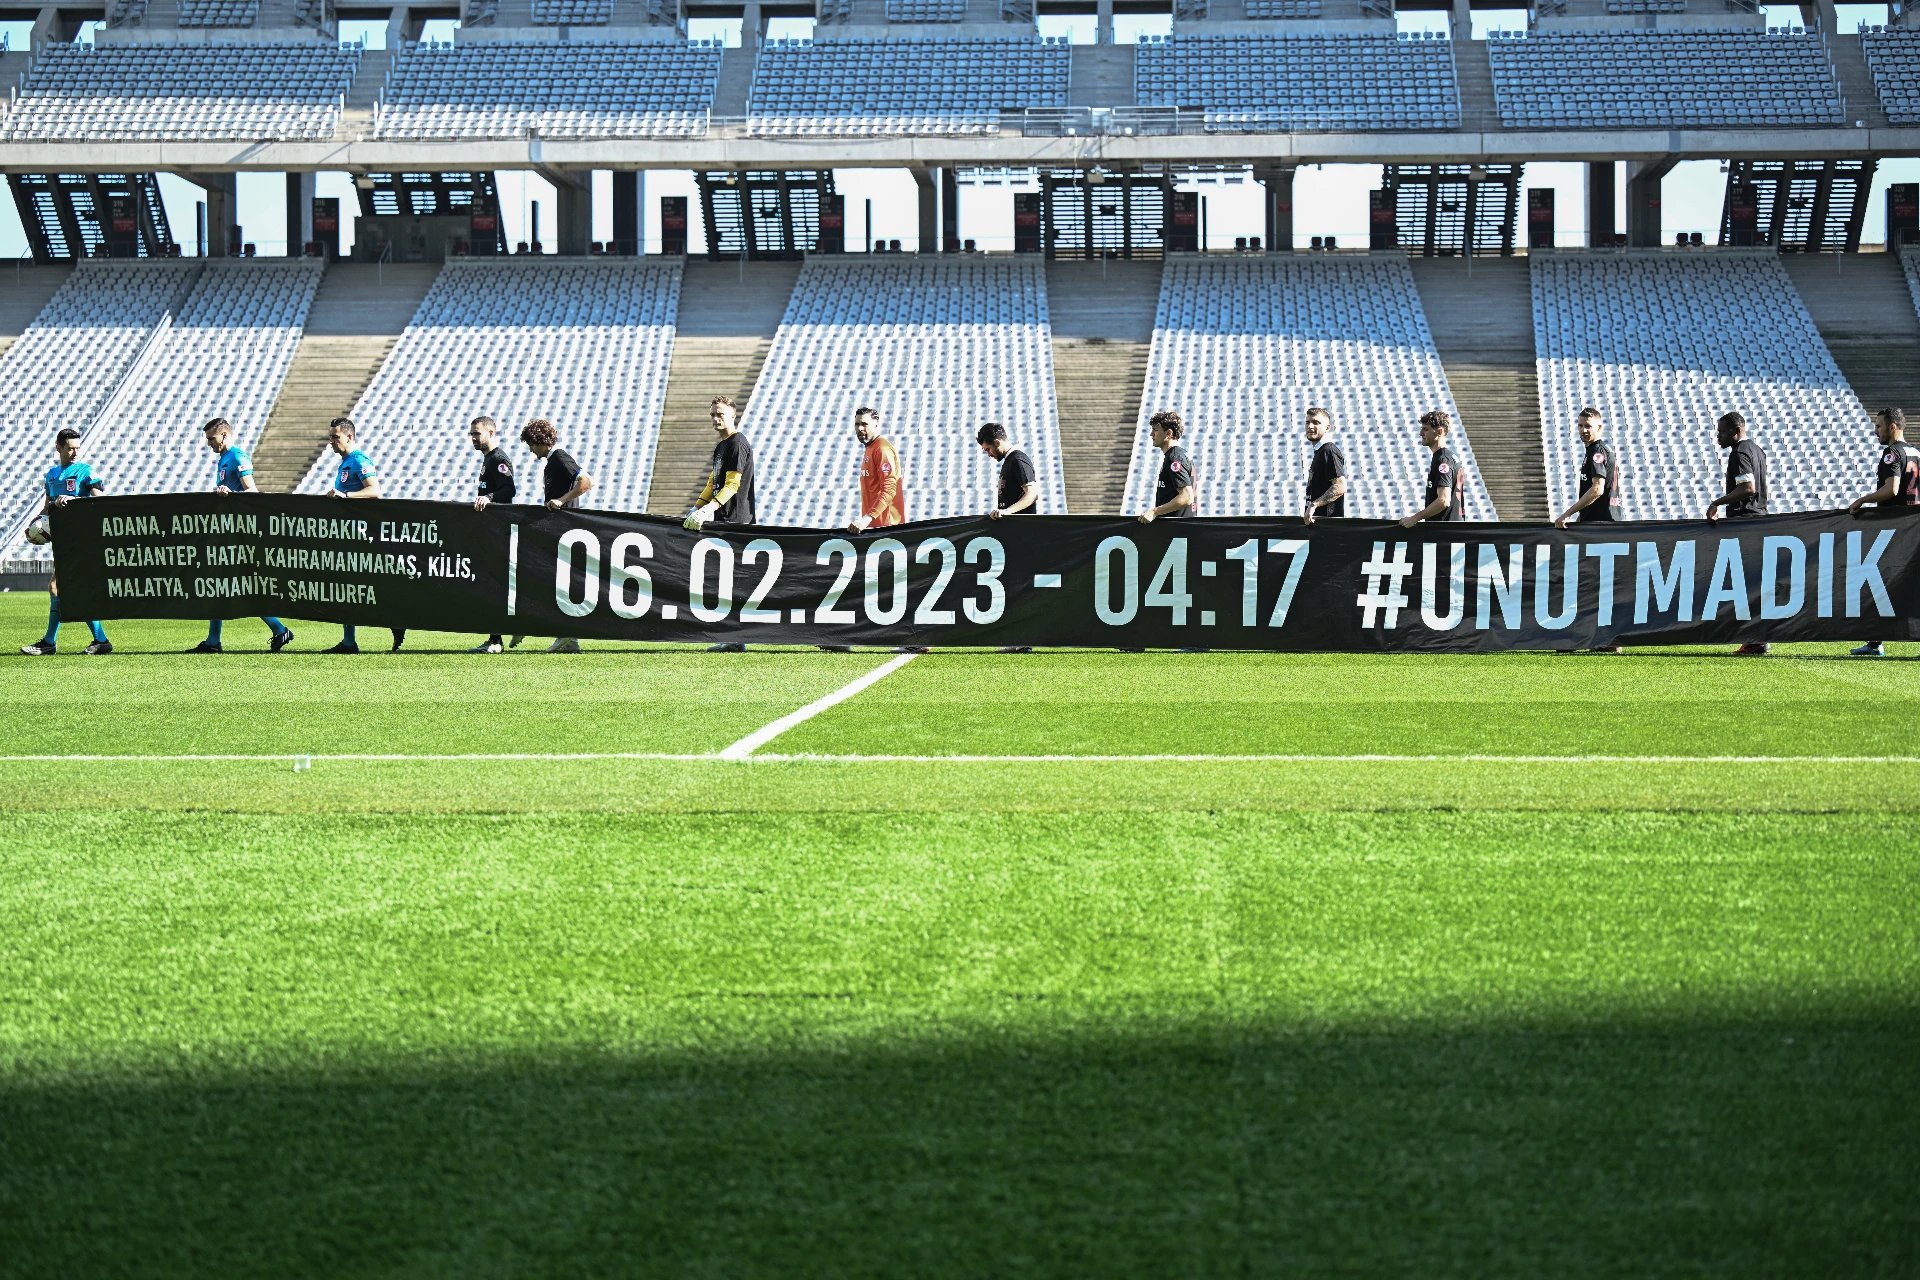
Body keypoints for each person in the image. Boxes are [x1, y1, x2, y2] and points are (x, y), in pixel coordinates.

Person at [187, 417, 294, 654]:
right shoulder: (225, 459)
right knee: (221, 584)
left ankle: (277, 629)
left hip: (240, 534)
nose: (209, 444)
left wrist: (231, 494)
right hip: (229, 532)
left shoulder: (237, 457)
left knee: (240, 585)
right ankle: (215, 640)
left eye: (211, 439)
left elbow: (252, 492)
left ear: (224, 435)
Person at [822, 407, 910, 652]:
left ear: (876, 424)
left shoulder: (882, 448)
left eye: (865, 424)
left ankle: (914, 638)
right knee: (869, 584)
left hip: (887, 529)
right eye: (857, 424)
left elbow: (890, 487)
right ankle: (844, 637)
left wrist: (867, 518)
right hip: (875, 529)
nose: (860, 429)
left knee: (888, 586)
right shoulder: (870, 450)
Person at [18, 428, 112, 656]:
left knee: (57, 587)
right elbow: (47, 507)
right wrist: (34, 526)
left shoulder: (85, 471)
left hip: (83, 540)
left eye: (77, 448)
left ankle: (50, 642)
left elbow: (102, 503)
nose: (75, 453)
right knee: (71, 590)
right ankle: (100, 640)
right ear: (58, 448)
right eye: (70, 448)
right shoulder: (51, 475)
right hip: (64, 541)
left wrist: (74, 499)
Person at [320, 417, 404, 655]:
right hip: (348, 535)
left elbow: (375, 490)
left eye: (335, 437)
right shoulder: (346, 462)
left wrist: (346, 497)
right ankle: (350, 641)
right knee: (347, 587)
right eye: (330, 437)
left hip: (361, 536)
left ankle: (396, 620)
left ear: (349, 437)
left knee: (363, 586)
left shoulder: (358, 460)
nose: (331, 442)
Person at [517, 418, 595, 653]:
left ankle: (556, 631)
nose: (531, 450)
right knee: (554, 581)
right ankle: (565, 636)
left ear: (540, 441)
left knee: (556, 581)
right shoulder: (553, 461)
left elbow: (586, 482)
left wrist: (561, 500)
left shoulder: (560, 457)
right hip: (559, 530)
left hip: (566, 531)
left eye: (531, 444)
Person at [685, 396, 756, 652]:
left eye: (720, 414)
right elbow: (712, 482)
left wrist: (710, 508)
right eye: (713, 414)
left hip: (736, 521)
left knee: (733, 581)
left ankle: (737, 638)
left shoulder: (737, 443)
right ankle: (732, 636)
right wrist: (697, 507)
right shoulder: (722, 446)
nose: (716, 419)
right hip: (723, 519)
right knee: (723, 580)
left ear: (733, 415)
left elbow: (733, 485)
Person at [1846, 407, 1918, 658]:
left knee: (1880, 583)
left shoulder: (1892, 453)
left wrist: (1862, 500)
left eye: (1879, 426)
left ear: (1892, 427)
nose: (1876, 431)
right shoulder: (1916, 452)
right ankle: (1875, 641)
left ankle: (1875, 643)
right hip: (1913, 527)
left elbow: (1892, 489)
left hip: (1895, 529)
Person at [1705, 411, 1771, 655]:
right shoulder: (1757, 450)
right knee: (1754, 582)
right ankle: (1758, 637)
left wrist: (1717, 502)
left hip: (1746, 521)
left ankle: (1756, 639)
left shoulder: (1740, 452)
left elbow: (1748, 488)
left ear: (1736, 430)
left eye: (1722, 432)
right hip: (1759, 519)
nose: (1718, 437)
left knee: (1746, 583)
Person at [978, 422, 1037, 654]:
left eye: (988, 449)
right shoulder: (1009, 462)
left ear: (997, 442)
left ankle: (1022, 638)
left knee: (1019, 586)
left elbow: (1032, 494)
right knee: (1012, 585)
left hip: (1023, 535)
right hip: (1014, 535)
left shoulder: (1018, 460)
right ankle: (1017, 637)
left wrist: (1007, 512)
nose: (988, 454)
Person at [468, 415, 517, 654]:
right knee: (490, 585)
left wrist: (488, 498)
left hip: (500, 531)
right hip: (491, 530)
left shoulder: (498, 459)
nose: (473, 438)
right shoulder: (488, 459)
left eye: (477, 433)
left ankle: (496, 640)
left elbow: (509, 489)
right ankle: (495, 636)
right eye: (472, 434)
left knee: (494, 585)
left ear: (491, 433)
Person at [1552, 407, 1622, 528]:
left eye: (1588, 426)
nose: (1583, 430)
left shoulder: (1597, 451)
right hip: (1602, 523)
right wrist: (1581, 516)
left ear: (1599, 428)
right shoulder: (1599, 450)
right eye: (1580, 425)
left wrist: (1567, 514)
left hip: (1599, 525)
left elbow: (1597, 489)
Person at [1399, 409, 1465, 527]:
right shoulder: (1449, 457)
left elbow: (1443, 500)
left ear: (1439, 431)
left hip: (1444, 530)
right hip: (1453, 528)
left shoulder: (1443, 460)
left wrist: (1414, 518)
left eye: (1425, 429)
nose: (1421, 433)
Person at [1136, 410, 1195, 524]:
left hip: (1178, 529)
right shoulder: (1179, 455)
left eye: (1155, 430)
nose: (1151, 434)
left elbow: (1187, 496)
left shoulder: (1174, 458)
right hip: (1180, 527)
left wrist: (1154, 512)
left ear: (1168, 433)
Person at [1302, 406, 1346, 524]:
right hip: (1320, 526)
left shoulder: (1328, 450)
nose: (1310, 426)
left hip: (1327, 527)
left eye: (1316, 422)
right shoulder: (1320, 452)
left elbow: (1340, 486)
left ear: (1327, 428)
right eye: (1307, 422)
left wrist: (1314, 505)